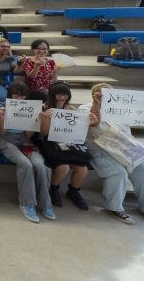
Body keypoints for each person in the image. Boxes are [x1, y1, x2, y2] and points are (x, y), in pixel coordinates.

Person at [79, 83, 144, 224]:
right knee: (118, 173)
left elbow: (143, 120)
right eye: (102, 93)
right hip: (101, 150)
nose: (106, 95)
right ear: (94, 94)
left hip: (125, 148)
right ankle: (114, 207)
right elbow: (94, 124)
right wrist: (96, 103)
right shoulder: (85, 108)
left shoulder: (120, 108)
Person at [0, 82, 55, 223]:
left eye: (23, 96)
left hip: (24, 139)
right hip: (5, 140)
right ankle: (27, 203)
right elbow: (2, 133)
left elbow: (28, 135)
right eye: (16, 95)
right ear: (10, 95)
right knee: (25, 164)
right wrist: (1, 118)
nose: (20, 98)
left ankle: (45, 203)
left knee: (40, 165)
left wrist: (36, 121)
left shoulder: (31, 108)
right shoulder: (2, 106)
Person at [38, 82, 90, 211]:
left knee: (83, 169)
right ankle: (53, 189)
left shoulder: (71, 109)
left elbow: (78, 129)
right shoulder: (44, 108)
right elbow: (44, 133)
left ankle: (74, 191)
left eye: (65, 94)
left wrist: (88, 122)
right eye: (59, 94)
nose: (63, 97)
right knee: (63, 168)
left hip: (68, 143)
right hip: (51, 144)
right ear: (52, 94)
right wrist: (48, 119)